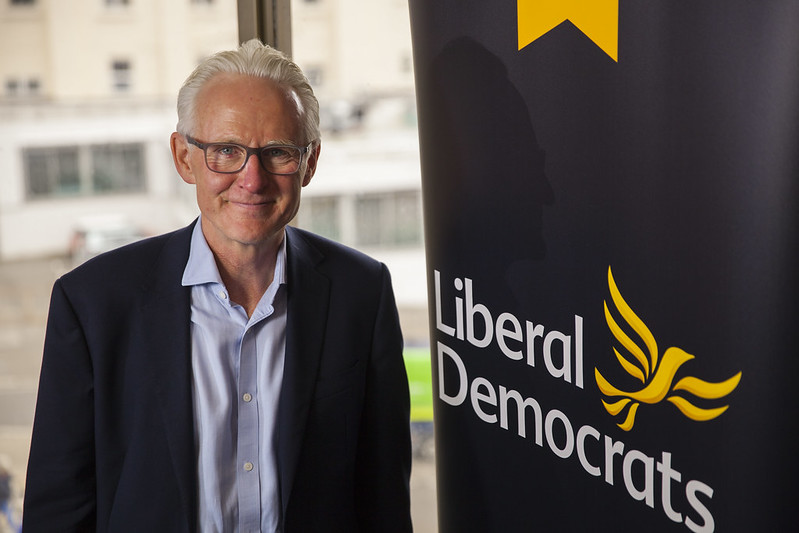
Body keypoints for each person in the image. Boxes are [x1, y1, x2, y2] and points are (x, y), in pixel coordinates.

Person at [22, 39, 413, 533]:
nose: (252, 179)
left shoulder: (363, 293)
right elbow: (57, 512)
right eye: (226, 151)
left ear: (309, 163)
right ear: (183, 158)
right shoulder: (93, 304)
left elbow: (383, 503)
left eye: (277, 152)